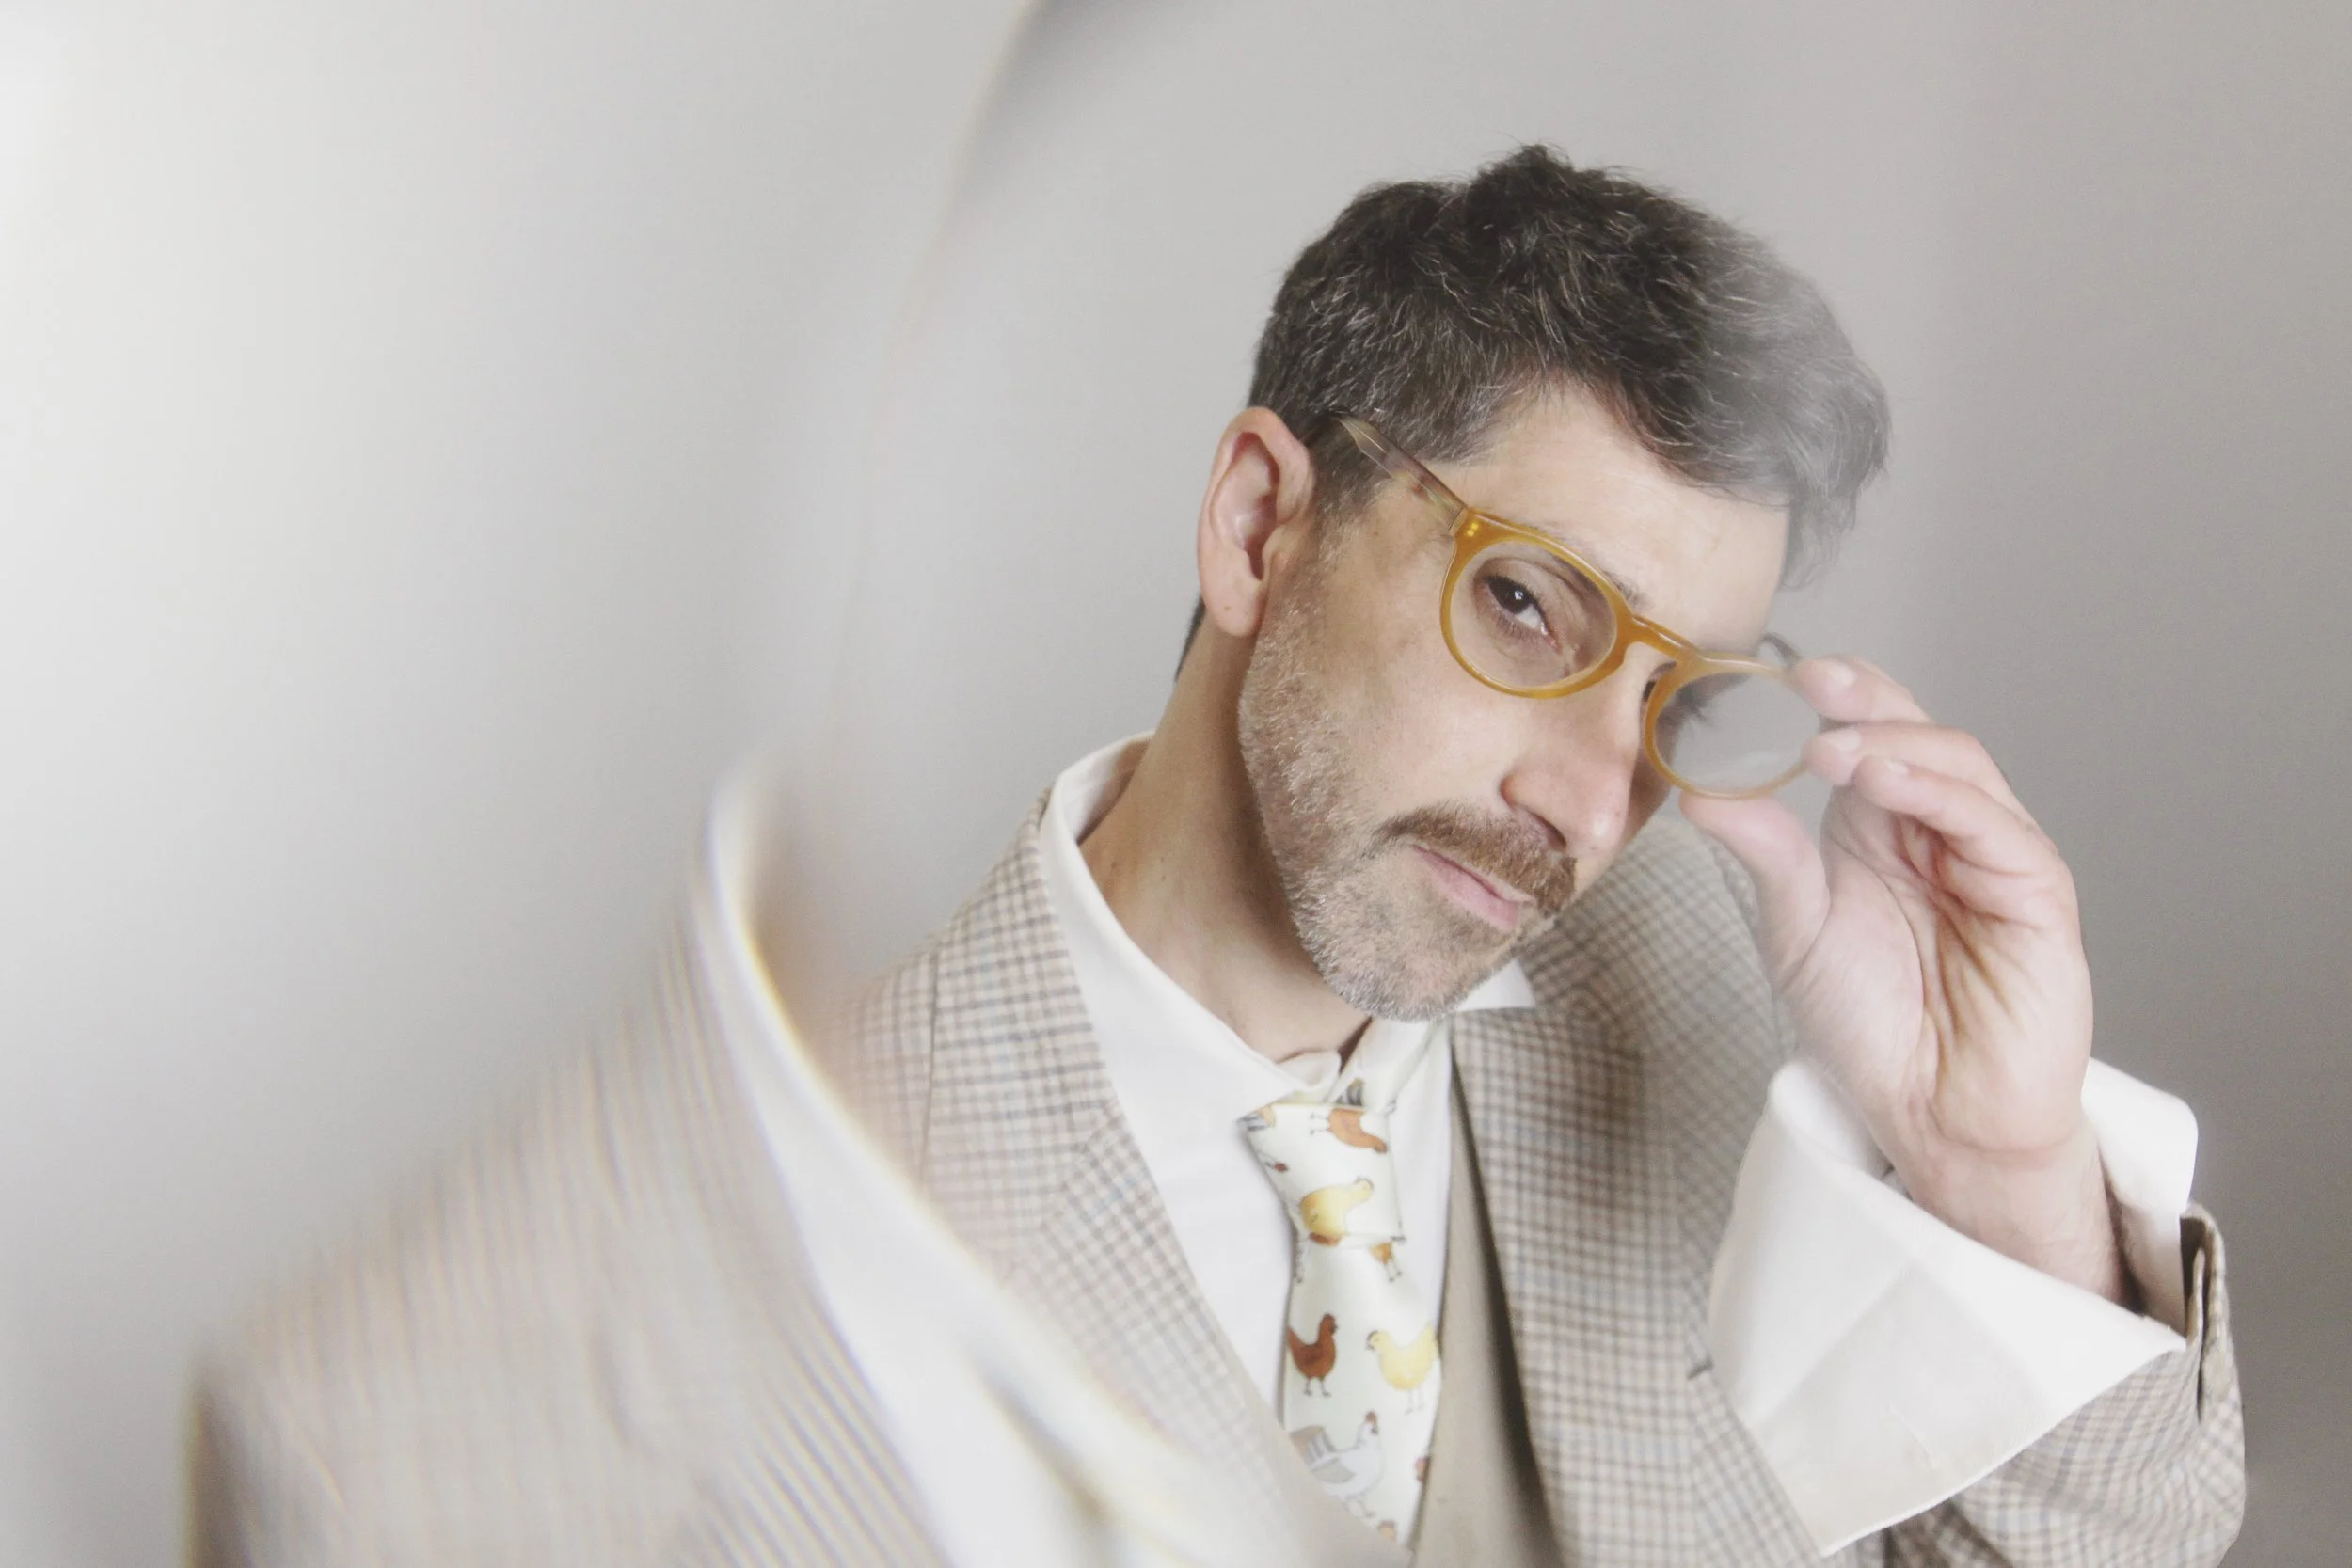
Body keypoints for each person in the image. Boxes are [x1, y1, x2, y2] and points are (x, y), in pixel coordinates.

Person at [190, 148, 2243, 1566]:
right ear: (1260, 524)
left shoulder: (1696, 995)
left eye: (1678, 697)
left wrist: (2003, 1175)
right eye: (1526, 608)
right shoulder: (726, 1256)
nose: (1586, 798)